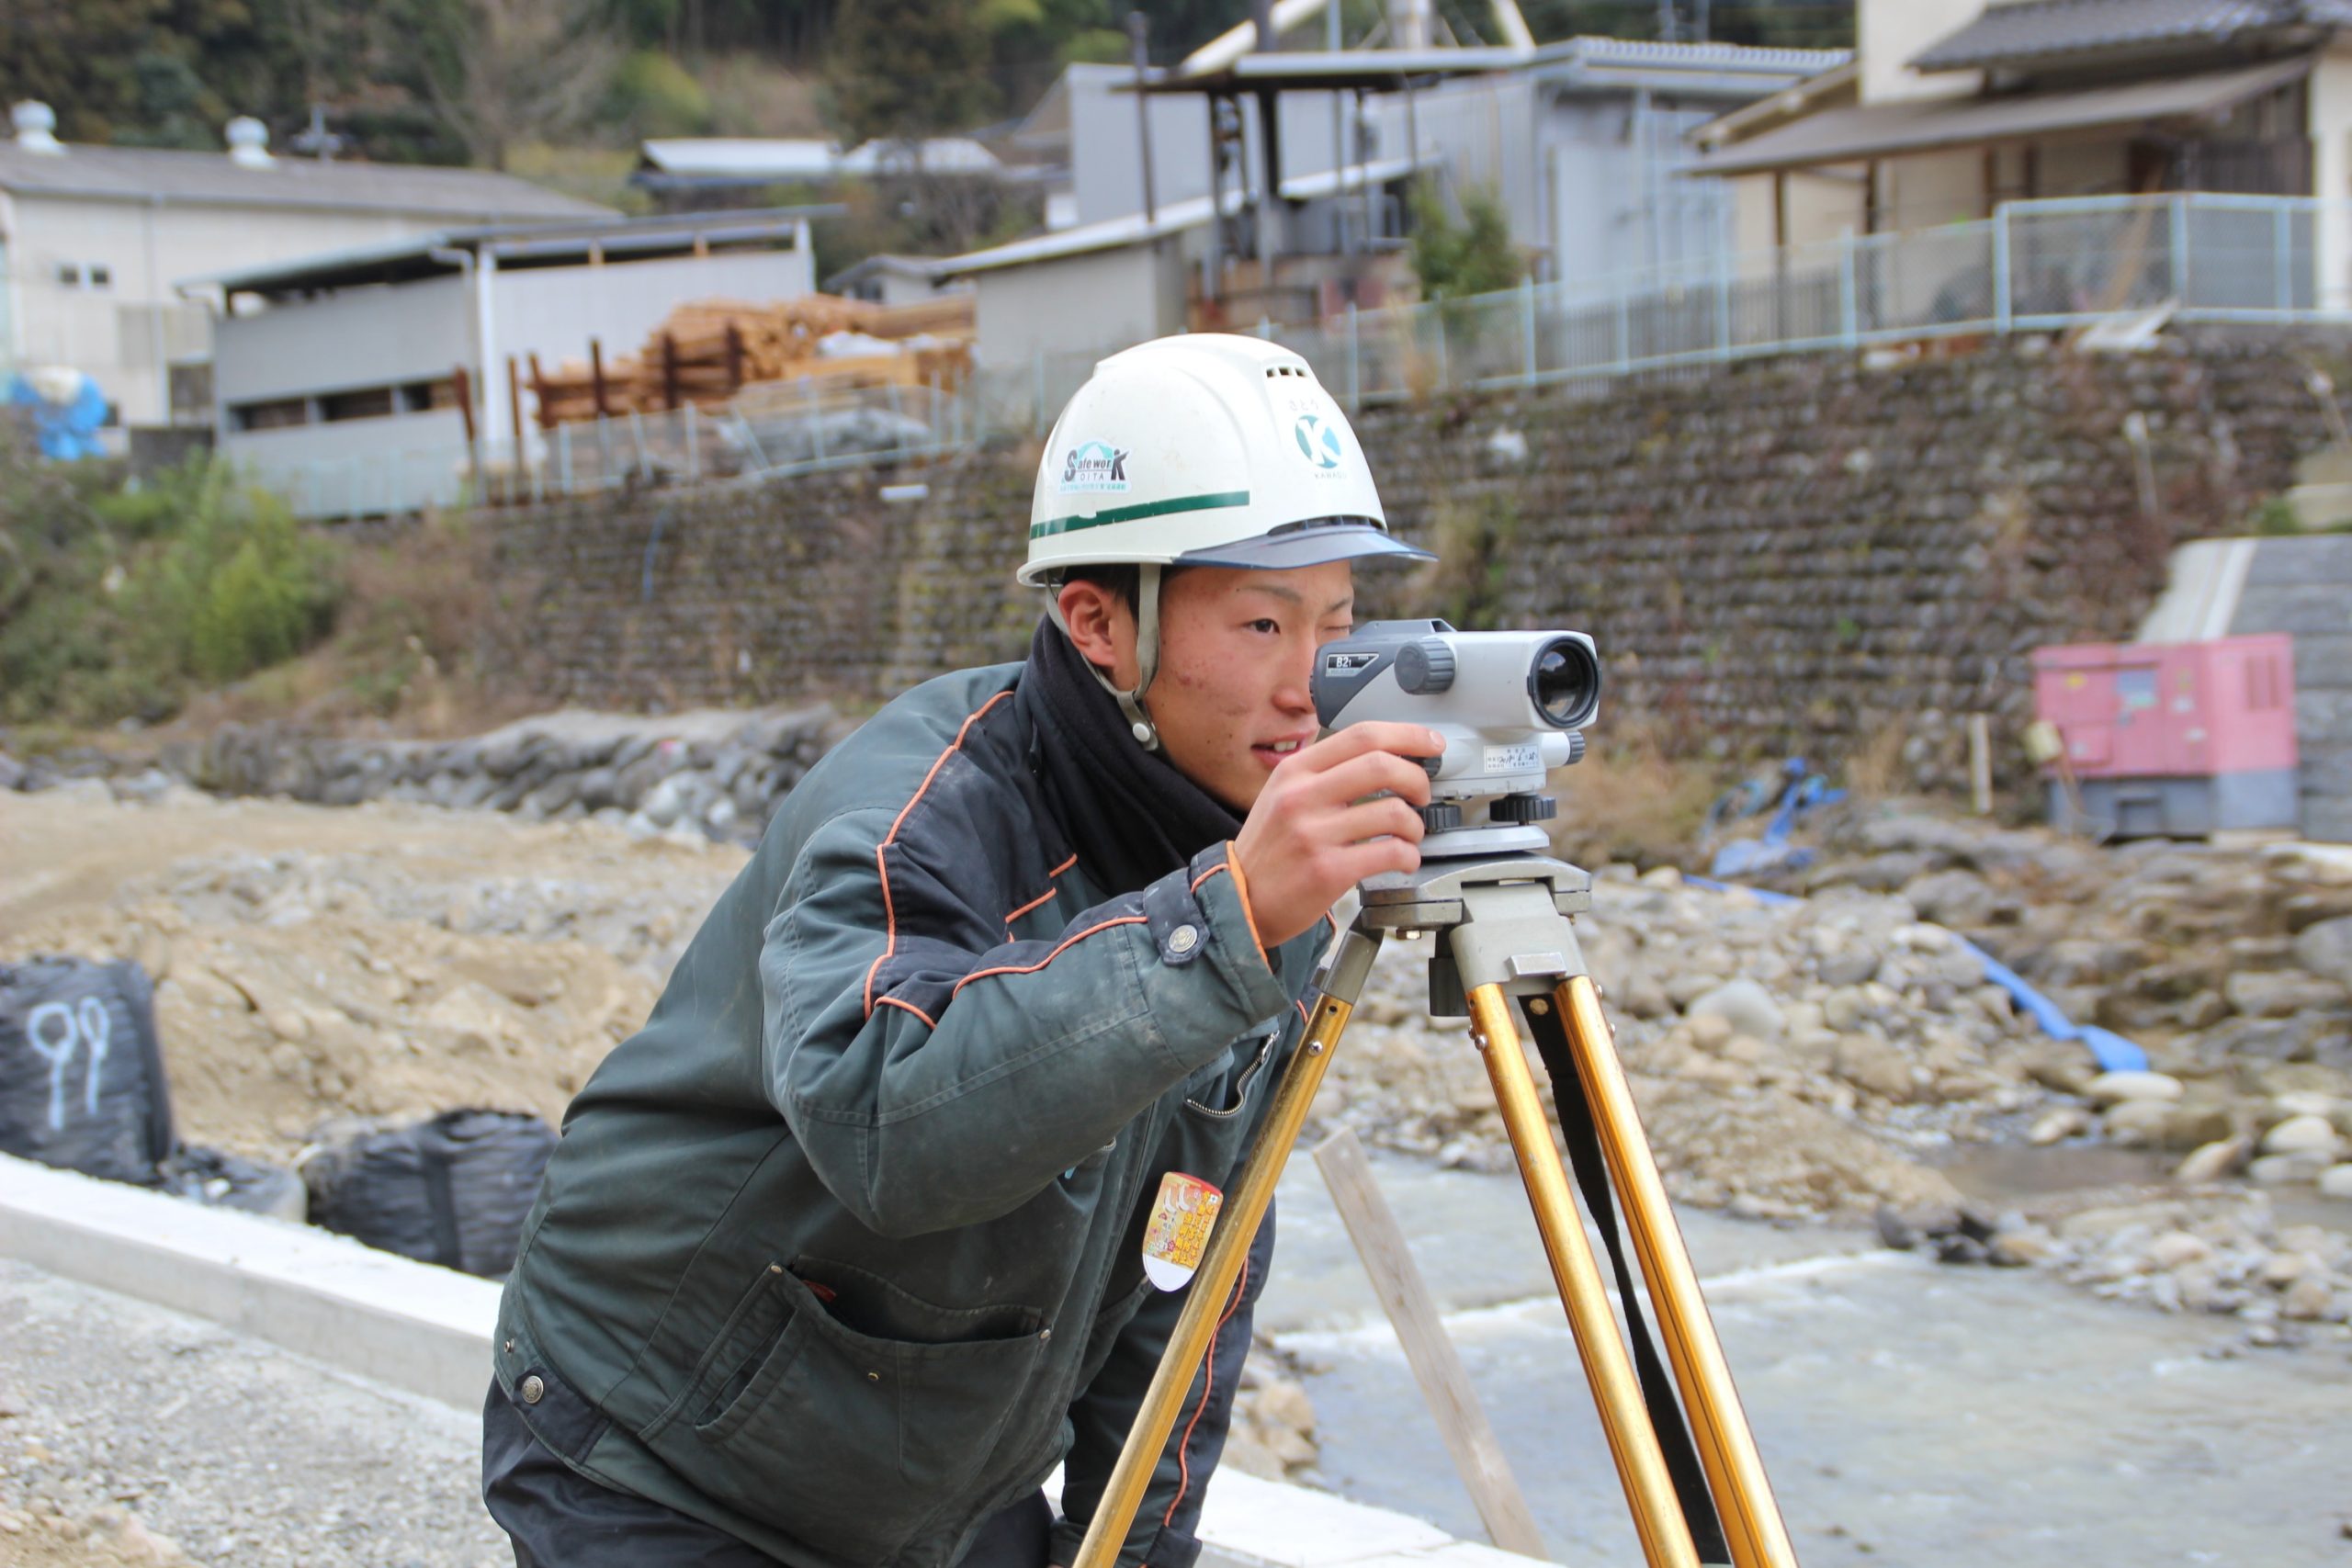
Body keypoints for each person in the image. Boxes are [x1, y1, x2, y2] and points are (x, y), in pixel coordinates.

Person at [482, 333, 1442, 1568]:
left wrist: (1137, 1552)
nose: (1315, 684)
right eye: (1263, 622)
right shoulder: (920, 812)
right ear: (1098, 621)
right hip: (666, 1447)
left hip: (927, 1477)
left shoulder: (1258, 869)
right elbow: (883, 1127)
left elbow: (1194, 1247)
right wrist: (1224, 923)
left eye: (1340, 621)